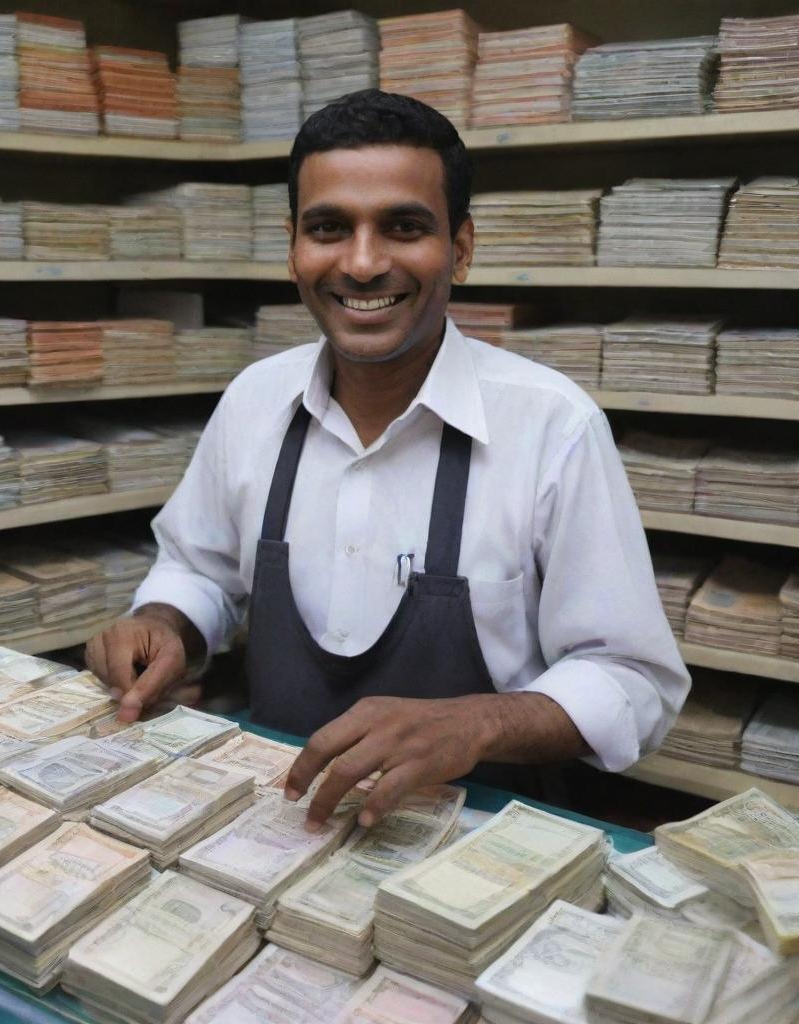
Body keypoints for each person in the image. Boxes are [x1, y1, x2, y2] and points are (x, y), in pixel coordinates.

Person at [87, 89, 690, 833]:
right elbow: (199, 570)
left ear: (460, 249)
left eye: (404, 227)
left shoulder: (551, 425)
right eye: (329, 228)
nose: (363, 263)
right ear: (294, 248)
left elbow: (634, 679)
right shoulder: (255, 401)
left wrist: (477, 725)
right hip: (281, 817)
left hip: (478, 838)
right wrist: (162, 623)